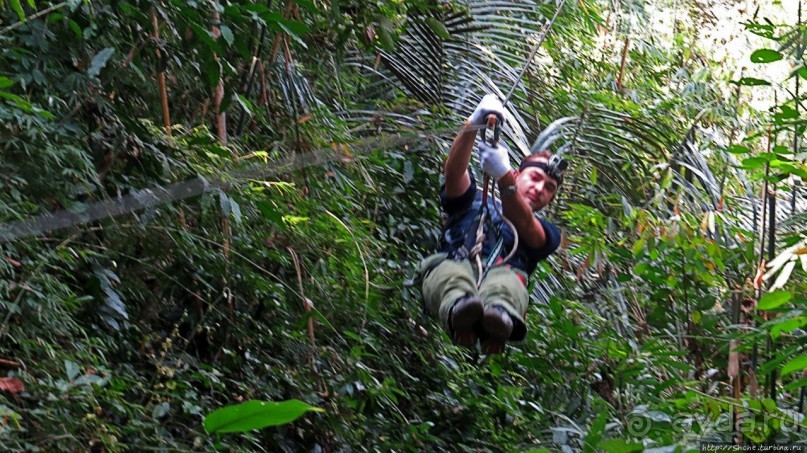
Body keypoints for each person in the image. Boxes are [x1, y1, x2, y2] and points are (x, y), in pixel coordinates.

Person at [416, 94, 565, 354]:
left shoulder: (547, 233)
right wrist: (473, 123)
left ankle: (496, 319)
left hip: (503, 278)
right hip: (453, 266)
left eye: (549, 188)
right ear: (519, 175)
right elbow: (454, 173)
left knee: (507, 285)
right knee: (452, 277)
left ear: (551, 198)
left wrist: (504, 177)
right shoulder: (473, 200)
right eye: (535, 178)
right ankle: (460, 309)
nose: (540, 188)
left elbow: (527, 227)